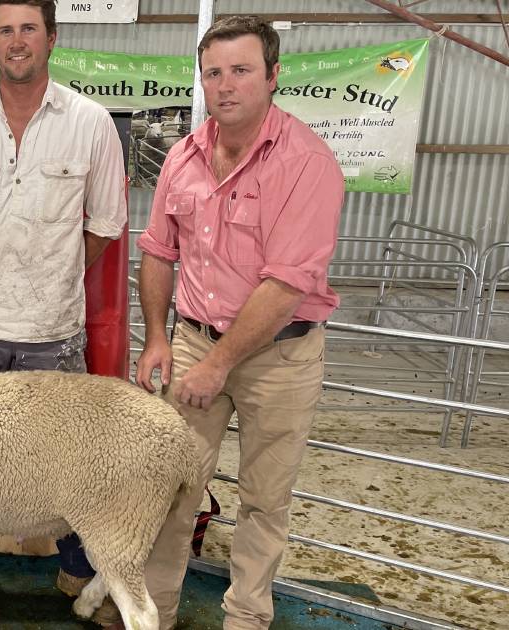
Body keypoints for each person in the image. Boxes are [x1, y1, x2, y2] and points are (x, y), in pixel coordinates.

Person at [134, 16, 345, 630]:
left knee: (263, 499)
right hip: (193, 338)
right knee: (171, 487)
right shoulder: (183, 155)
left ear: (274, 76)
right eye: (213, 73)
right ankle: (152, 613)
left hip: (279, 356)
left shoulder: (306, 163)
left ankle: (247, 617)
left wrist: (218, 365)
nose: (225, 86)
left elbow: (285, 286)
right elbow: (157, 248)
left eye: (241, 70)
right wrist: (155, 336)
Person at [0, 0, 127, 624]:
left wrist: (53, 270)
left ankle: (78, 560)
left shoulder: (92, 123)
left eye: (29, 30)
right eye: (5, 30)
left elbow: (106, 223)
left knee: (68, 452)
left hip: (53, 326)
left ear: (51, 38)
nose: (17, 42)